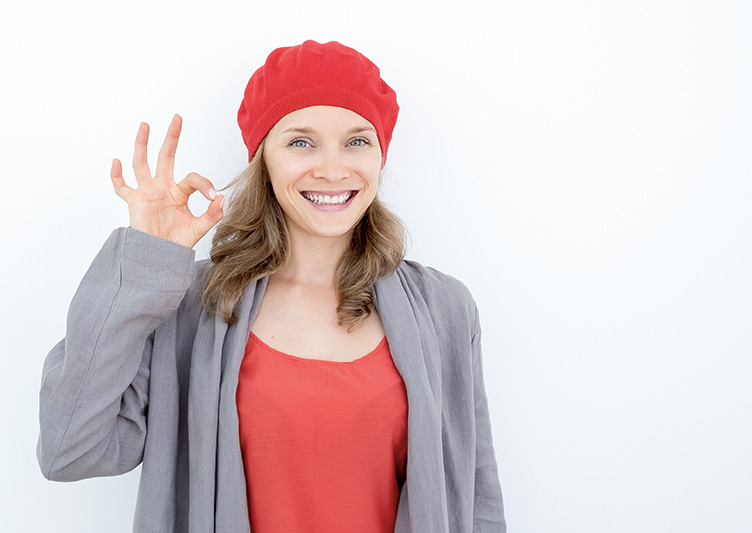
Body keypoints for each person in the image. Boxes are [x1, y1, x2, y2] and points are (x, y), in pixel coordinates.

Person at [37, 40, 506, 532]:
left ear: (380, 155)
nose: (332, 168)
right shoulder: (188, 306)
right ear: (264, 160)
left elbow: (476, 498)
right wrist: (144, 263)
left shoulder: (444, 309)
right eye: (301, 142)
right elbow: (69, 449)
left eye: (357, 140)